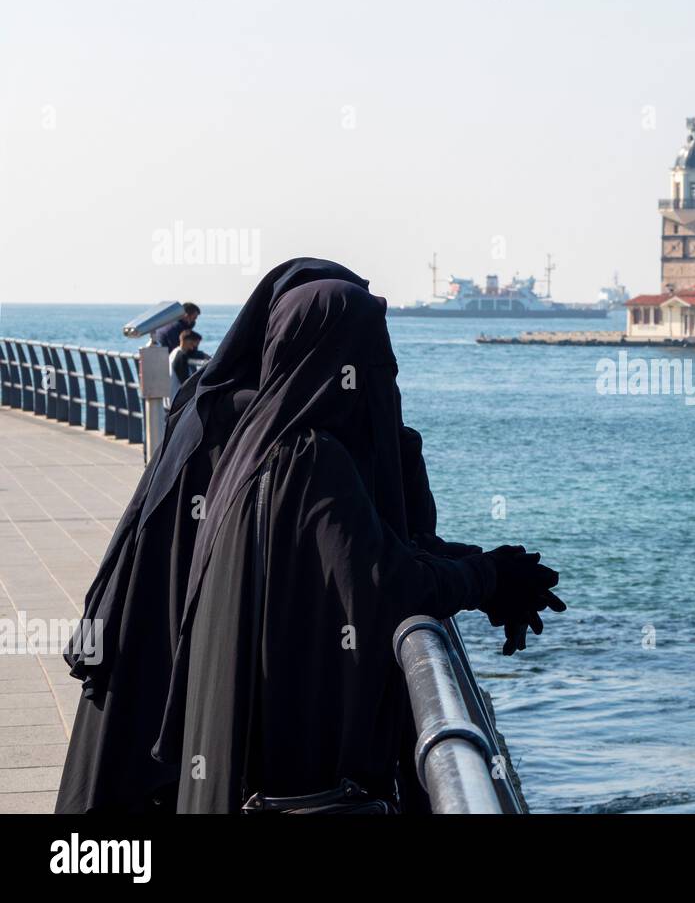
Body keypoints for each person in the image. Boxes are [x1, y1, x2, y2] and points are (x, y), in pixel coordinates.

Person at [57, 259, 562, 814]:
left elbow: (365, 545)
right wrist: (485, 578)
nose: (382, 374)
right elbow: (379, 581)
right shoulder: (306, 458)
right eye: (372, 354)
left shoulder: (245, 442)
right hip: (280, 778)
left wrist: (485, 569)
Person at [168, 330, 207, 401]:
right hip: (177, 400)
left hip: (173, 398)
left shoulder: (175, 353)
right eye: (195, 344)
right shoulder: (180, 357)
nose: (195, 348)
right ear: (188, 342)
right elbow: (186, 382)